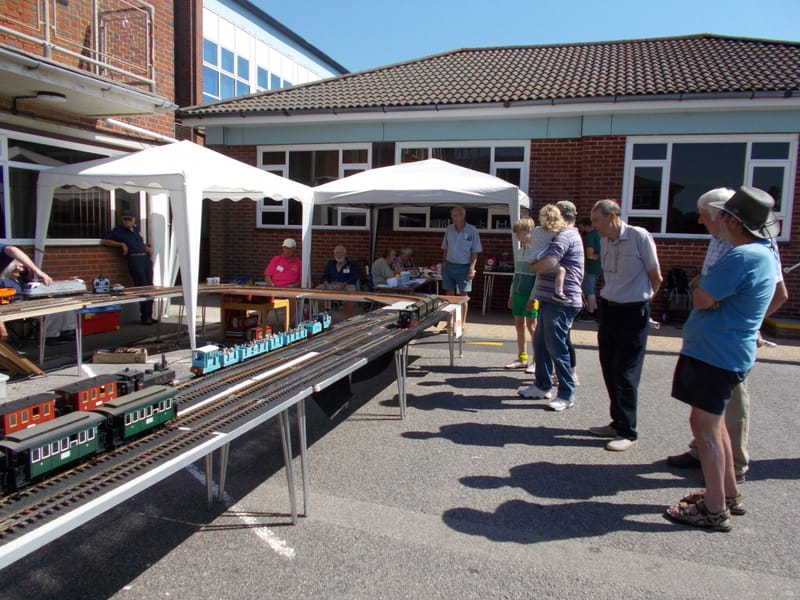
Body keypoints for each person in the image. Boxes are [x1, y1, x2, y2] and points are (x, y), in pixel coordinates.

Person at [664, 186, 779, 532]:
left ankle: (714, 508)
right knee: (715, 426)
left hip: (715, 352)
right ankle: (727, 492)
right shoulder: (761, 253)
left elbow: (702, 296)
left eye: (724, 216)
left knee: (704, 428)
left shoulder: (741, 257)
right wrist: (709, 293)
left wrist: (706, 291)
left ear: (732, 221)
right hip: (727, 351)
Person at [588, 199, 662, 451]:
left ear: (612, 216)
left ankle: (628, 432)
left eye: (597, 220)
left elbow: (655, 276)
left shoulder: (639, 236)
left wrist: (645, 302)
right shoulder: (605, 241)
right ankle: (617, 421)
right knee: (609, 367)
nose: (594, 226)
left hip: (633, 311)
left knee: (626, 372)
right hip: (609, 309)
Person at [517, 202, 584, 411]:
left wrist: (533, 265)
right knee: (541, 344)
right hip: (548, 299)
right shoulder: (556, 236)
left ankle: (566, 394)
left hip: (561, 302)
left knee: (557, 347)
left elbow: (547, 264)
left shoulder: (565, 236)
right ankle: (542, 386)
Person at [101, 209, 155, 325]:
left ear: (133, 220)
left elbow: (138, 243)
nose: (127, 221)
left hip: (145, 258)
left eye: (129, 219)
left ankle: (150, 314)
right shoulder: (118, 230)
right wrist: (121, 244)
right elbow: (104, 241)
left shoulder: (136, 229)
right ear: (122, 220)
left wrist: (145, 248)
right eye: (125, 219)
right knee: (142, 286)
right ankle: (145, 316)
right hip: (135, 259)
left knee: (150, 286)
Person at [504, 218, 538, 373]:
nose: (517, 236)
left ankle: (537, 360)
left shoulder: (536, 250)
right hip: (518, 293)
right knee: (519, 325)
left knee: (532, 326)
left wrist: (533, 297)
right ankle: (522, 358)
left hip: (530, 295)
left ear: (528, 231)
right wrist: (511, 294)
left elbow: (538, 277)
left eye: (519, 232)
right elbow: (516, 274)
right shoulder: (520, 250)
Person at [0, 244, 53, 341]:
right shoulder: (4, 282)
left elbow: (13, 250)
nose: (21, 266)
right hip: (12, 309)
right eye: (18, 263)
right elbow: (3, 303)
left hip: (24, 305)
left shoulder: (22, 279)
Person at [441, 205, 482, 326]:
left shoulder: (472, 230)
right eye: (452, 216)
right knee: (449, 296)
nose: (453, 218)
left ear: (462, 216)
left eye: (455, 216)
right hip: (449, 265)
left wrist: (472, 268)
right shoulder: (449, 229)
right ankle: (450, 322)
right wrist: (443, 265)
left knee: (463, 296)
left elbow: (475, 252)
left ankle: (461, 324)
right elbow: (445, 248)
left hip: (464, 267)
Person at [526, 205, 569, 303]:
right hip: (542, 257)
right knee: (561, 271)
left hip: (532, 257)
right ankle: (558, 292)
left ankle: (535, 297)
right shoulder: (554, 232)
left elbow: (530, 238)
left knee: (538, 274)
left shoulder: (535, 229)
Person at [319, 245, 360, 318]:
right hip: (331, 285)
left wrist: (343, 284)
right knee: (318, 290)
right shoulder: (330, 263)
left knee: (352, 289)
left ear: (345, 254)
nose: (339, 255)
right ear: (334, 254)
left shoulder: (351, 264)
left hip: (345, 286)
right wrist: (326, 284)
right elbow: (324, 276)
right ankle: (322, 316)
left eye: (341, 253)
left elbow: (354, 277)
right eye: (337, 253)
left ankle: (347, 318)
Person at [577, 216, 601, 321]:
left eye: (581, 227)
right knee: (591, 289)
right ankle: (595, 310)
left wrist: (591, 256)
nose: (581, 230)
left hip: (590, 267)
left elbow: (589, 254)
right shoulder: (598, 234)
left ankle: (590, 313)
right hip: (597, 266)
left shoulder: (590, 236)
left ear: (586, 226)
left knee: (589, 291)